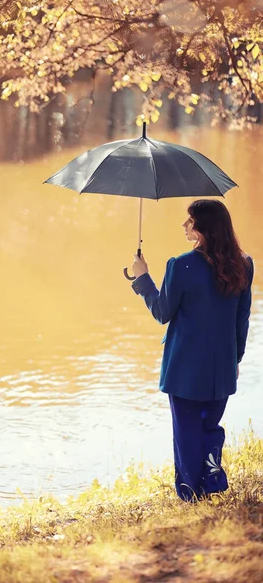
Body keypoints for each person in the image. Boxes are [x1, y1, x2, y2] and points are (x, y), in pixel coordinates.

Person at [130, 199, 254, 502]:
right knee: (209, 427)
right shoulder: (243, 263)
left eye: (189, 221)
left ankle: (190, 494)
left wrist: (142, 278)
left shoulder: (180, 265)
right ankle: (210, 482)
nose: (184, 226)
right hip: (221, 368)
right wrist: (235, 359)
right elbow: (242, 318)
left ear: (202, 228)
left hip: (184, 369)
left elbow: (162, 312)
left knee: (186, 433)